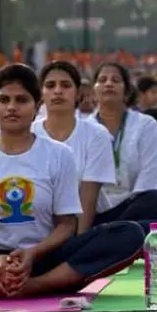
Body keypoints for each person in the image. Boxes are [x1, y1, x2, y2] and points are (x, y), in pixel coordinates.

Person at [0, 64, 144, 298]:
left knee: (129, 234)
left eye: (21, 100)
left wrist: (32, 254)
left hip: (46, 259)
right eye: (4, 100)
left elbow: (66, 225)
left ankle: (36, 286)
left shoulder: (60, 154)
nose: (12, 107)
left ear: (37, 107)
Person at [33, 61, 116, 234]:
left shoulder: (96, 134)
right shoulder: (29, 133)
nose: (57, 91)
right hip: (39, 226)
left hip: (89, 223)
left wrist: (75, 244)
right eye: (50, 85)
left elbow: (89, 197)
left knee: (153, 201)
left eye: (65, 85)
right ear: (41, 94)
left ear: (78, 94)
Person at [91, 62, 157, 230]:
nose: (108, 83)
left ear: (127, 93)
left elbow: (149, 178)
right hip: (94, 212)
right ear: (94, 92)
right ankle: (116, 232)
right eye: (102, 79)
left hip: (136, 208)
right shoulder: (83, 129)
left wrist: (128, 209)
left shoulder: (146, 125)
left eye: (115, 80)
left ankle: (110, 232)